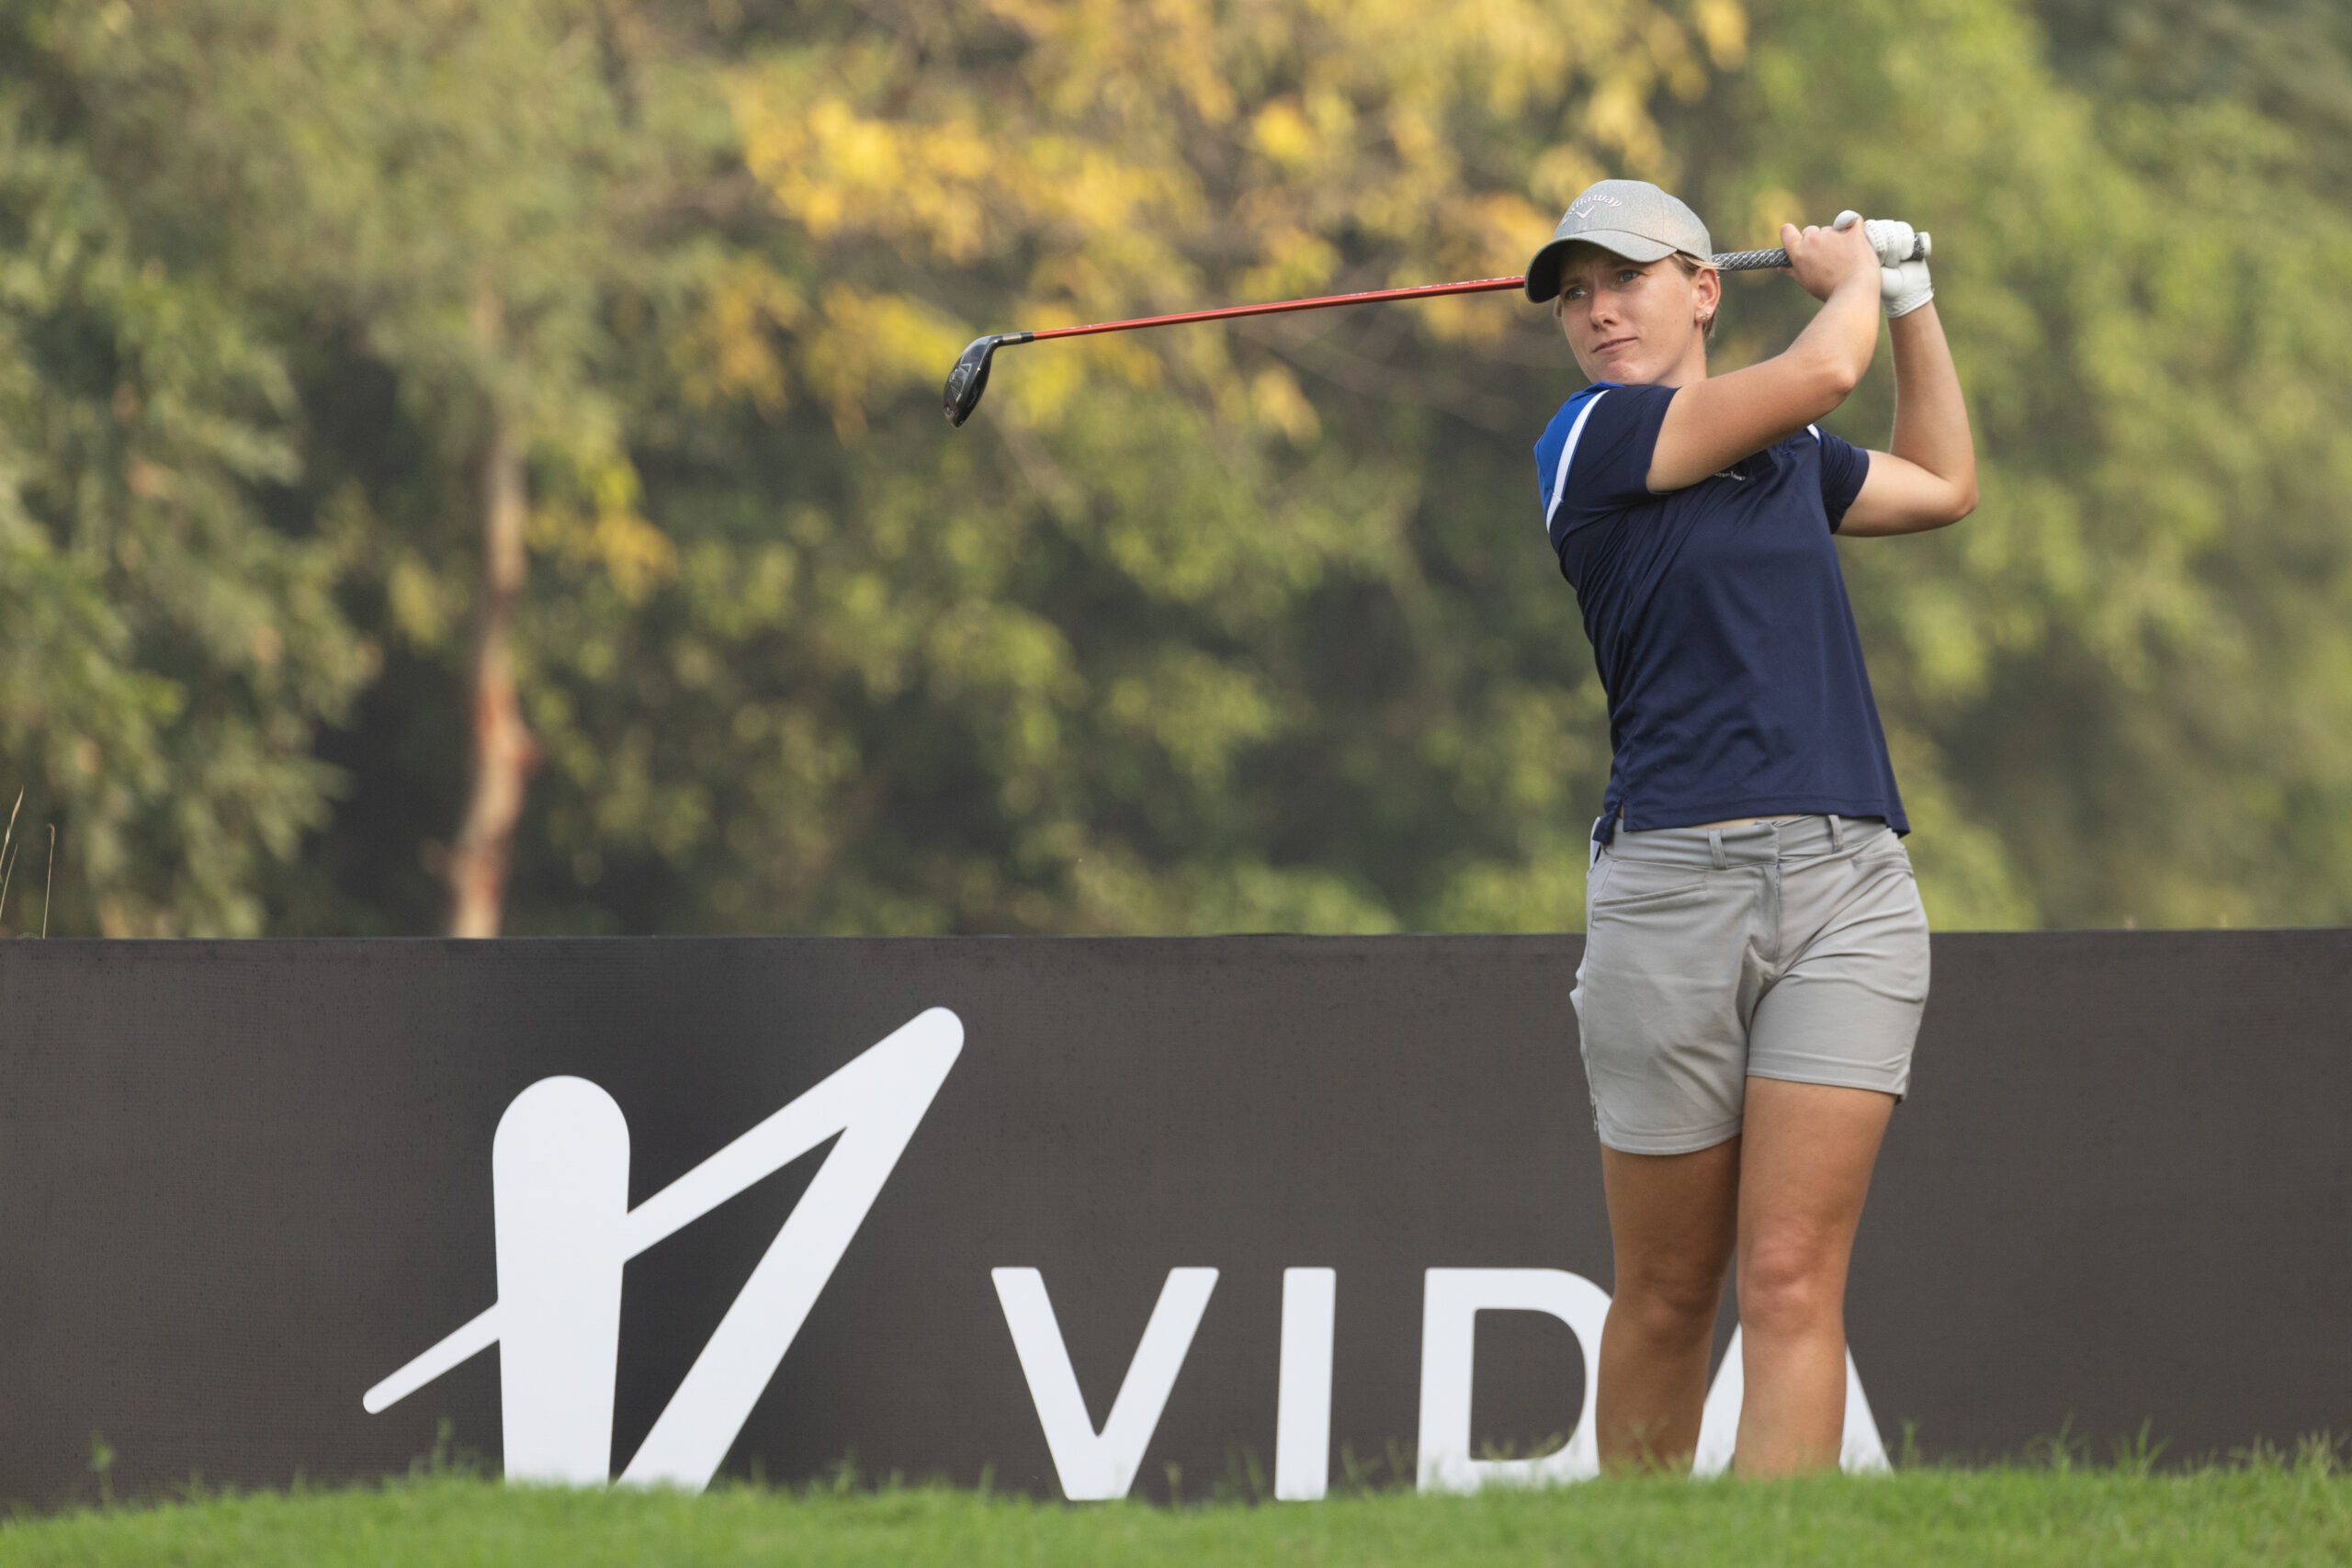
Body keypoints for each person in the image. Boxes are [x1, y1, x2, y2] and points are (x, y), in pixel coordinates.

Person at [1521, 180, 1977, 1475]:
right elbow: (1826, 370)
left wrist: (1909, 297)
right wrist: (1843, 280)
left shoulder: (1783, 460)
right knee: (1668, 1292)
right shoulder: (1589, 441)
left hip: (1848, 887)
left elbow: (1945, 482)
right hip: (1670, 889)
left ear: (1704, 288)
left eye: (1629, 279)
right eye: (1575, 292)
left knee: (1788, 1278)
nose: (1599, 310)